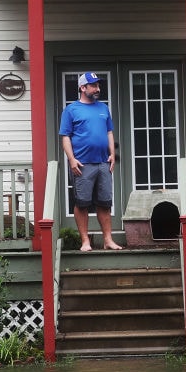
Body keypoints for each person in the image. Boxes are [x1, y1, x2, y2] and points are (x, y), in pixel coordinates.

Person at [59, 72, 124, 251]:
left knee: (104, 202)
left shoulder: (103, 108)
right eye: (93, 85)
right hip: (82, 164)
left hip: (103, 163)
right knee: (82, 203)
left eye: (98, 85)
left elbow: (109, 132)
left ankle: (108, 240)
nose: (98, 89)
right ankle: (85, 241)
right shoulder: (71, 110)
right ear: (82, 88)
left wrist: (112, 154)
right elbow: (65, 137)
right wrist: (71, 160)